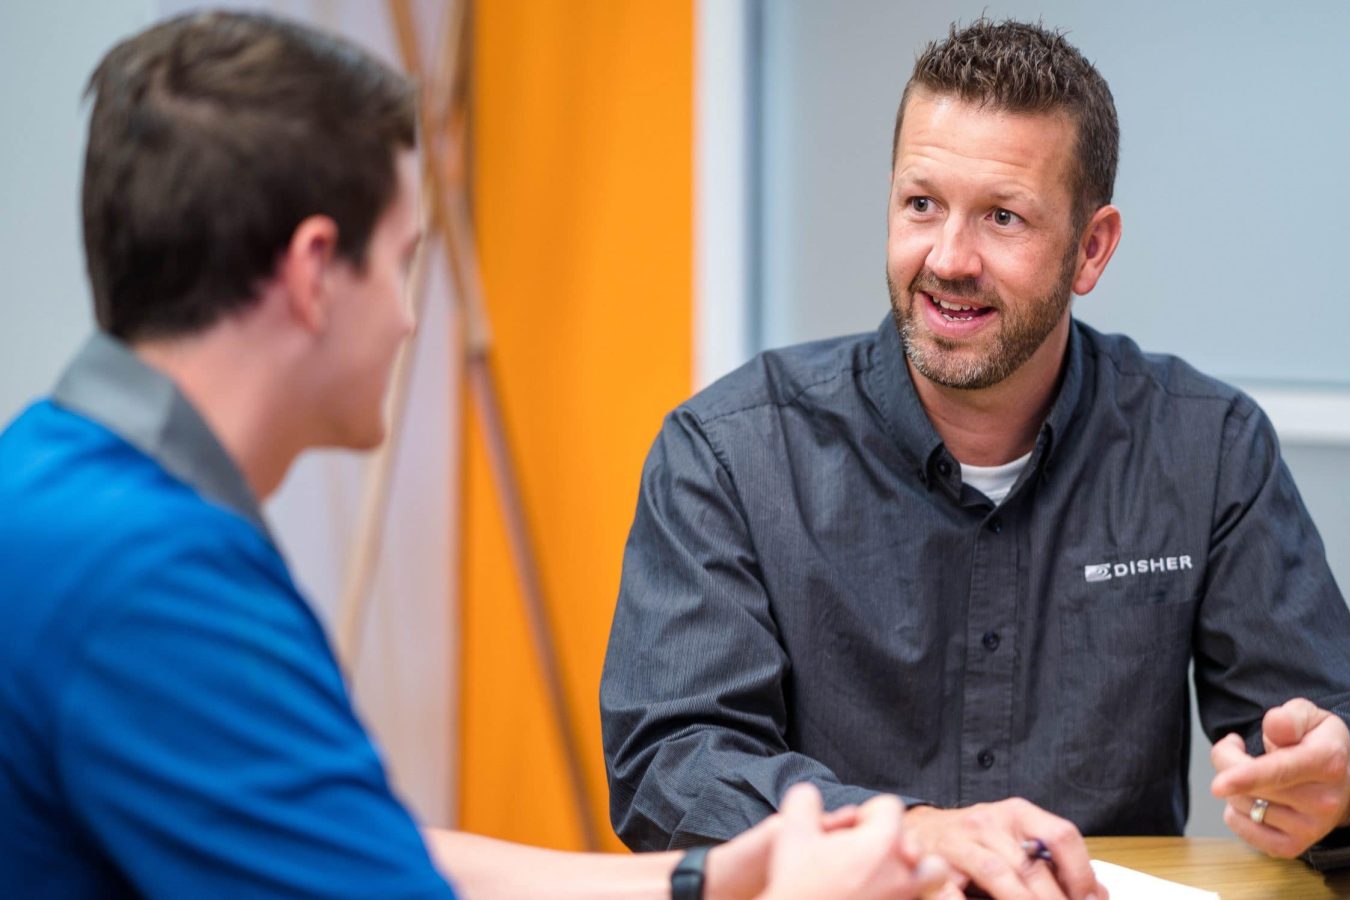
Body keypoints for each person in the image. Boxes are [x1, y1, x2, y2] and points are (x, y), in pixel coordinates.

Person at [0, 11, 950, 899]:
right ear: (312, 273)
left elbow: (361, 845)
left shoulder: (48, 483)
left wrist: (694, 881)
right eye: (404, 261)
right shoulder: (155, 584)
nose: (411, 318)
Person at [601, 17, 1350, 900]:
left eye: (1002, 217)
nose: (948, 259)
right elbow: (671, 765)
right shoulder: (729, 453)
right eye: (920, 204)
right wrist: (914, 834)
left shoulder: (1205, 447)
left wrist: (1337, 785)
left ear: (1091, 248)